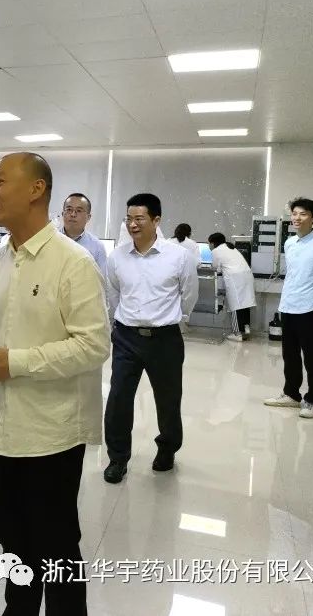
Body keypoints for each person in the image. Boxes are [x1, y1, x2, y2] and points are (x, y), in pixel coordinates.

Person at [0, 153, 109, 616]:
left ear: (36, 190)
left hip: (51, 432)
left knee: (56, 548)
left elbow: (94, 345)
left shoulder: (73, 263)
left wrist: (16, 362)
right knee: (12, 539)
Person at [103, 193, 198, 484]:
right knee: (118, 399)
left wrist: (176, 320)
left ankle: (167, 449)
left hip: (165, 339)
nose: (132, 224)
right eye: (128, 219)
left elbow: (189, 295)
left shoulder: (178, 256)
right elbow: (113, 294)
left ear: (156, 220)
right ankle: (118, 458)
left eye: (139, 219)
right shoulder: (117, 257)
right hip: (126, 337)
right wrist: (120, 323)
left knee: (168, 400)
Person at [264, 198, 313, 419]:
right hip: (289, 305)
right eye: (294, 213)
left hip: (310, 308)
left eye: (303, 214)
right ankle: (291, 394)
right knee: (290, 355)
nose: (297, 218)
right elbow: (294, 275)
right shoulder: (290, 243)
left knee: (311, 356)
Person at [208, 232, 257, 342]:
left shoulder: (216, 251)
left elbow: (215, 268)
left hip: (235, 278)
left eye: (209, 243)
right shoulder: (231, 247)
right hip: (246, 276)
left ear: (213, 243)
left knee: (235, 305)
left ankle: (237, 333)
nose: (209, 246)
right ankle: (246, 329)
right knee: (245, 303)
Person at [61, 192, 108, 276]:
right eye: (69, 210)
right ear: (62, 214)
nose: (73, 214)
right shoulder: (50, 240)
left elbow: (100, 280)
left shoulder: (97, 247)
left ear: (88, 217)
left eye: (79, 211)